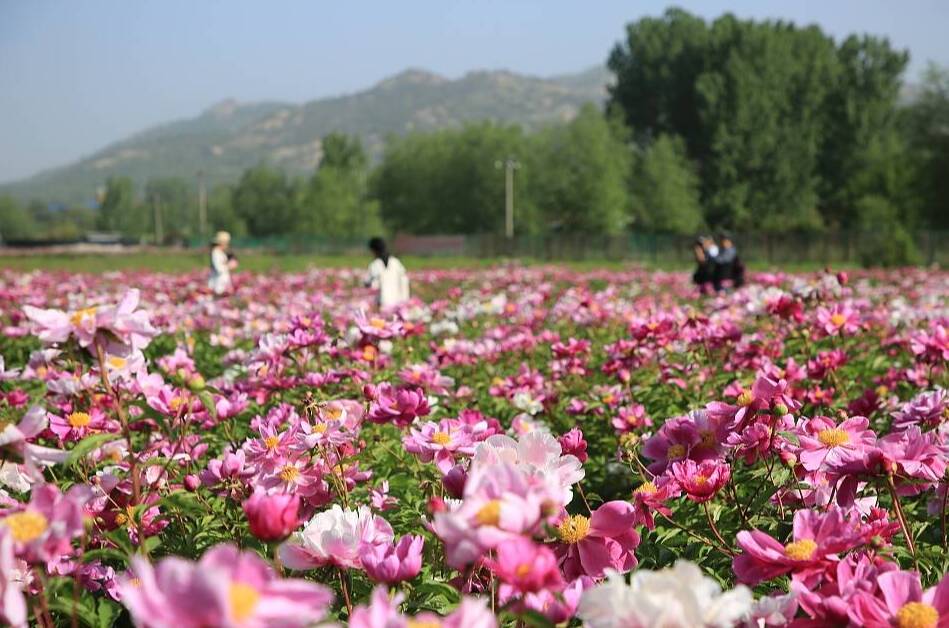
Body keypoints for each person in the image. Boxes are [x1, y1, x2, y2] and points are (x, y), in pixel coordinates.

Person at [365, 237, 410, 308]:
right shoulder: (396, 262)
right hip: (398, 303)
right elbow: (404, 281)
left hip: (382, 302)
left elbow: (368, 284)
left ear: (374, 250)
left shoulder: (375, 265)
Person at [208, 231, 237, 295]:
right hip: (218, 283)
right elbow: (219, 268)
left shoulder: (220, 252)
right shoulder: (216, 252)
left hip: (221, 282)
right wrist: (230, 265)